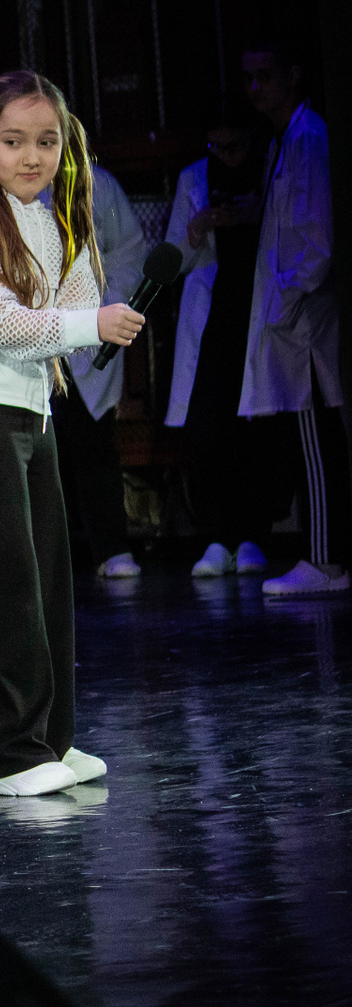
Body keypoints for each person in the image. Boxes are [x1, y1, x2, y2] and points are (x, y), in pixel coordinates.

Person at [0, 70, 142, 797]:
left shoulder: (45, 218)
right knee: (6, 583)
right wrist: (63, 320)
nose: (32, 156)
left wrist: (45, 308)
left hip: (30, 408)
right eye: (13, 140)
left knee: (47, 578)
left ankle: (48, 738)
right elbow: (19, 325)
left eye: (47, 142)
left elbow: (61, 306)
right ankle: (1, 756)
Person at [239, 42, 346, 597]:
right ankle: (323, 557)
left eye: (266, 75)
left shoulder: (308, 137)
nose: (256, 87)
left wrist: (285, 298)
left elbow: (317, 235)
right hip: (294, 313)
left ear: (293, 75)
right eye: (249, 77)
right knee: (311, 433)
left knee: (315, 435)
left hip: (304, 316)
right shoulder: (284, 139)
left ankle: (325, 561)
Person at [163, 98, 281, 578]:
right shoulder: (194, 178)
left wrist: (256, 216)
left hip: (261, 309)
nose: (226, 156)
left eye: (234, 147)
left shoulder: (270, 167)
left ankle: (253, 535)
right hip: (213, 316)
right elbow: (173, 259)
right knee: (209, 425)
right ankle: (217, 537)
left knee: (255, 427)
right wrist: (196, 229)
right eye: (217, 146)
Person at [53, 162, 147, 579]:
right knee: (41, 449)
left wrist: (106, 305)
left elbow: (129, 253)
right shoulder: (10, 182)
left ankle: (111, 547)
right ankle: (52, 559)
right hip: (34, 331)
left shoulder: (98, 184)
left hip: (90, 328)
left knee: (93, 439)